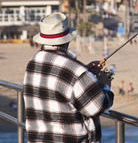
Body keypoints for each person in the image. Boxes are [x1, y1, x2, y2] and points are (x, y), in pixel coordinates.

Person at [23, 12, 114, 143]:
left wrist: (85, 72)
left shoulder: (33, 62)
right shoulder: (75, 71)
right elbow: (97, 106)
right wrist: (105, 85)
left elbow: (58, 79)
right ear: (68, 39)